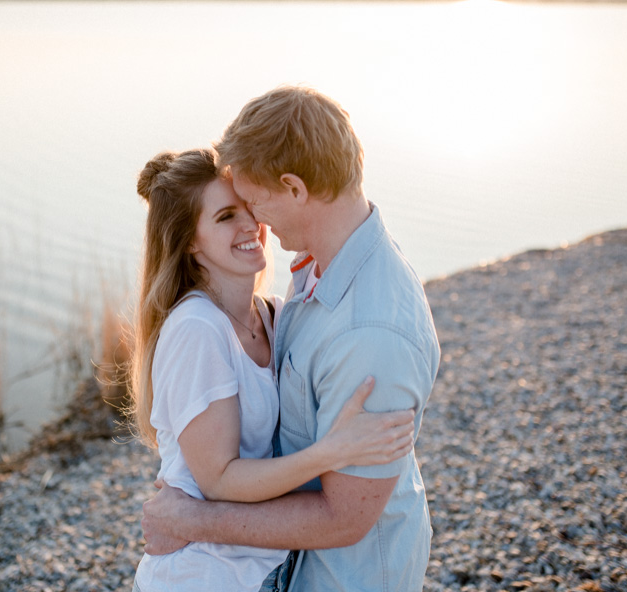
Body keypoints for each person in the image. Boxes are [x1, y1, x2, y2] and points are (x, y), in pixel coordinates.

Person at [140, 87, 441, 591]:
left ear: (295, 189)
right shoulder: (316, 277)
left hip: (347, 576)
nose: (257, 222)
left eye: (255, 203)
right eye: (232, 212)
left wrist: (188, 518)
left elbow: (345, 518)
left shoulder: (368, 333)